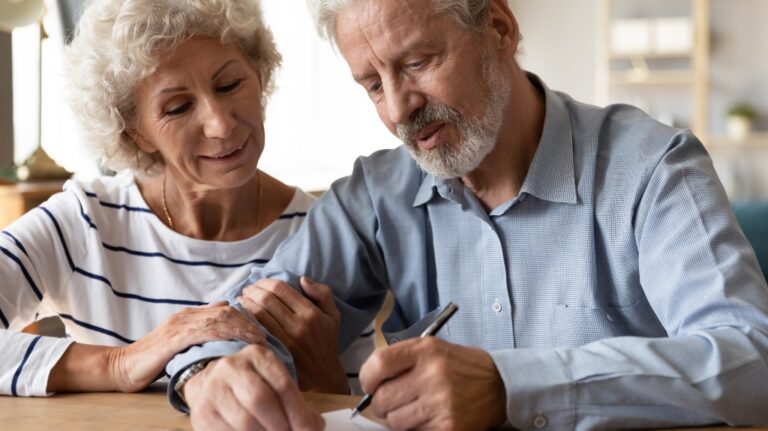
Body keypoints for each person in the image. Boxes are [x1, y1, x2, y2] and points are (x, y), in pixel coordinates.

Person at [168, 0, 768, 429]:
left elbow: (751, 360)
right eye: (372, 85)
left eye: (417, 62)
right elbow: (239, 315)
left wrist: (508, 385)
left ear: (499, 29)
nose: (400, 106)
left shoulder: (652, 168)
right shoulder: (377, 193)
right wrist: (210, 376)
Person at [0, 0, 369, 403]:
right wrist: (121, 363)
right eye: (178, 107)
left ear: (259, 75)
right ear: (134, 131)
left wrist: (321, 375)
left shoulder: (327, 233)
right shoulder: (84, 222)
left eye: (230, 85)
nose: (221, 123)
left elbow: (361, 417)